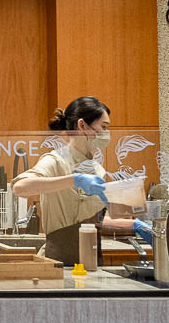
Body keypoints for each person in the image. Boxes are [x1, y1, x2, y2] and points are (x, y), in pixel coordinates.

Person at [9, 96, 151, 255]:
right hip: (60, 255)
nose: (106, 133)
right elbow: (19, 188)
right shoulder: (56, 160)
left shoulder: (97, 170)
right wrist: (74, 180)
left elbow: (95, 220)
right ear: (82, 125)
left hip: (90, 256)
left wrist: (135, 225)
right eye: (103, 127)